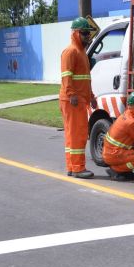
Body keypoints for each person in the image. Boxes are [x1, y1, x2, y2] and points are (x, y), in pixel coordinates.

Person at [60, 17, 98, 179]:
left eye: (88, 34)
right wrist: (71, 95)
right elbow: (66, 76)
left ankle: (72, 166)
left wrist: (91, 96)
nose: (87, 37)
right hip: (73, 100)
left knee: (73, 134)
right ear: (75, 33)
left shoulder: (81, 52)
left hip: (79, 99)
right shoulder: (71, 52)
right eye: (84, 34)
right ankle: (77, 168)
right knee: (78, 134)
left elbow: (85, 79)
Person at [103, 92, 134, 181]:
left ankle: (125, 171)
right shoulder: (131, 122)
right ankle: (117, 170)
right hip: (114, 154)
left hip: (112, 152)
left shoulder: (129, 114)